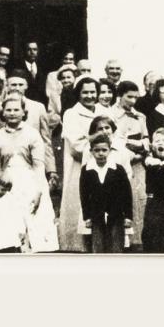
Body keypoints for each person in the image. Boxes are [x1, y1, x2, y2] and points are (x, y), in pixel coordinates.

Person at [0, 93, 59, 252]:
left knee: (36, 231)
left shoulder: (32, 134)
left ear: (23, 112)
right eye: (8, 110)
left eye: (16, 109)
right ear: (3, 113)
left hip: (31, 184)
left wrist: (38, 193)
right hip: (7, 186)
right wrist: (0, 192)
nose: (12, 113)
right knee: (11, 232)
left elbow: (38, 167)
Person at [59, 75, 102, 251]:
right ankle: (76, 248)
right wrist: (98, 141)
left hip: (103, 166)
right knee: (79, 206)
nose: (90, 96)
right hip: (80, 167)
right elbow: (76, 146)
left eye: (93, 92)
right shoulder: (71, 114)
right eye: (85, 92)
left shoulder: (103, 111)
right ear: (79, 94)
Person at [79, 132, 134, 253]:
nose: (100, 153)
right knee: (98, 246)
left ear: (110, 150)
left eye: (104, 150)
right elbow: (84, 195)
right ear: (91, 151)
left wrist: (128, 216)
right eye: (97, 150)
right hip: (96, 216)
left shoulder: (118, 169)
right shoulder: (87, 170)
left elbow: (127, 193)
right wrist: (87, 216)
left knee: (116, 246)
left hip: (116, 215)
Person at [111, 80, 149, 234]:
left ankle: (138, 241)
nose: (133, 101)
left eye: (136, 98)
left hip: (138, 164)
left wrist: (139, 145)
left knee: (139, 200)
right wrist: (134, 144)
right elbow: (115, 141)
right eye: (129, 97)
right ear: (119, 96)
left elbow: (146, 141)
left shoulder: (140, 116)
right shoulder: (111, 115)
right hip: (120, 164)